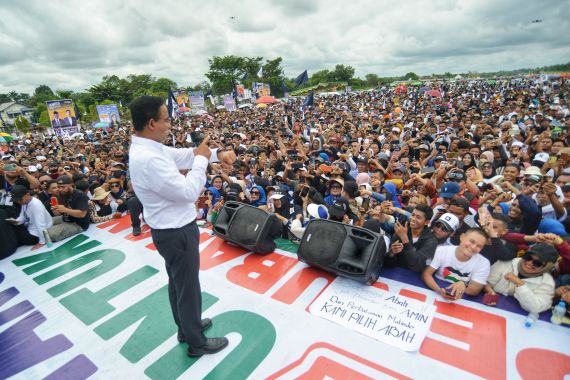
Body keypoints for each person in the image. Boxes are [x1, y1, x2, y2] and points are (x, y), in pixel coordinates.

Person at [128, 96, 235, 357]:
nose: (170, 125)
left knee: (179, 283)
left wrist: (214, 154)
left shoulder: (150, 148)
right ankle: (196, 342)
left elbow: (182, 156)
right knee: (188, 287)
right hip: (176, 231)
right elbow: (189, 192)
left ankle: (187, 328)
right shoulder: (148, 158)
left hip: (169, 230)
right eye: (166, 119)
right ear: (152, 122)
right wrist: (201, 161)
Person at [484, 244, 557, 313]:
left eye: (537, 263)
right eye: (528, 257)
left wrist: (519, 283)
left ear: (547, 267)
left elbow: (536, 308)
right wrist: (490, 291)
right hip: (492, 308)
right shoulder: (507, 262)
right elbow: (485, 282)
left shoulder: (547, 282)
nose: (529, 263)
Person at [422, 228, 491, 300]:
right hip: (436, 288)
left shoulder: (483, 263)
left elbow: (475, 290)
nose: (473, 247)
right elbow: (427, 274)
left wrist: (463, 285)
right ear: (462, 237)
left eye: (479, 246)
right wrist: (438, 290)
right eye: (472, 241)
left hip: (462, 297)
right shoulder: (442, 250)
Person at [386, 204, 438, 272]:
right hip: (396, 275)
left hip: (415, 280)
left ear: (426, 222)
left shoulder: (431, 240)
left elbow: (417, 265)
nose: (413, 219)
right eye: (412, 215)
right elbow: (388, 264)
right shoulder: (401, 231)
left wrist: (405, 239)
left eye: (418, 217)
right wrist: (391, 253)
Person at [8, 185, 53, 250]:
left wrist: (42, 242)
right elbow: (23, 216)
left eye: (20, 199)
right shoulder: (25, 203)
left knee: (14, 234)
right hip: (32, 229)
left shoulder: (35, 205)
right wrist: (16, 222)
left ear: (27, 194)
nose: (18, 202)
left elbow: (41, 225)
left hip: (37, 235)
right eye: (17, 200)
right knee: (13, 228)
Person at [48, 175, 90, 242]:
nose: (60, 189)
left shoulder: (80, 195)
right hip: (66, 218)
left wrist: (65, 209)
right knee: (46, 222)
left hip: (78, 224)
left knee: (50, 234)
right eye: (58, 187)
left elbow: (82, 214)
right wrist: (55, 210)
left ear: (71, 185)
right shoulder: (61, 194)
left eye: (63, 187)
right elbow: (57, 214)